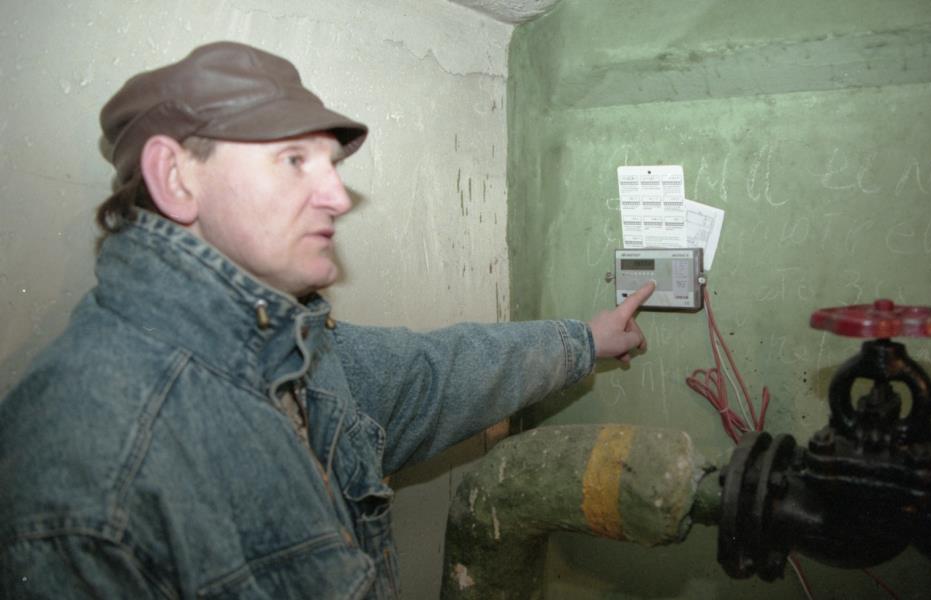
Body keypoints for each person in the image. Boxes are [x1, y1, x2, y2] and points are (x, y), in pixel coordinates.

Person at [0, 41, 654, 599]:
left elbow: (436, 375)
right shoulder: (84, 450)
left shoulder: (295, 356)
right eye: (293, 160)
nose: (339, 196)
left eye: (332, 166)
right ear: (174, 177)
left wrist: (586, 340)